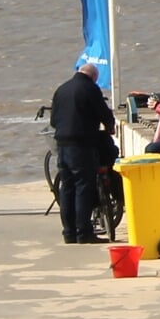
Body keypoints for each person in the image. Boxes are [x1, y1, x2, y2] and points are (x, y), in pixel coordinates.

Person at [49, 61, 116, 244]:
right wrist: (109, 126)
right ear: (93, 77)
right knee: (83, 186)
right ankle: (84, 232)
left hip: (61, 143)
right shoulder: (90, 89)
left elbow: (54, 120)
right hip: (82, 144)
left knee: (67, 187)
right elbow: (104, 114)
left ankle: (69, 232)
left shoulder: (61, 89)